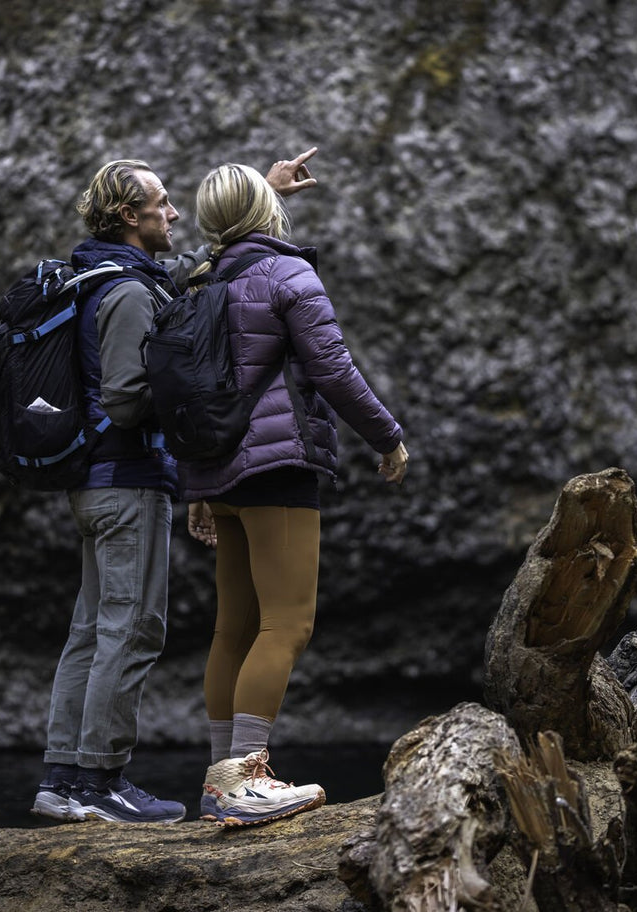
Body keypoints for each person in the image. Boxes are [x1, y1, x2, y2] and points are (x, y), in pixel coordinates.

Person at [31, 151, 319, 824]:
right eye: (161, 204)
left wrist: (265, 196)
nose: (173, 212)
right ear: (130, 216)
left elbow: (192, 264)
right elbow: (128, 400)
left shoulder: (102, 276)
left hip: (93, 482)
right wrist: (195, 403)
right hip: (126, 483)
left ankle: (62, 782)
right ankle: (99, 782)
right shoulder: (129, 293)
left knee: (89, 629)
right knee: (131, 629)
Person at [182, 162, 409, 826]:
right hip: (278, 466)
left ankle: (220, 782)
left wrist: (197, 486)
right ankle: (242, 782)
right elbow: (332, 369)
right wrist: (386, 437)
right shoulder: (288, 274)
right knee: (287, 624)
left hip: (216, 470)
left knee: (234, 629)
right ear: (270, 213)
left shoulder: (198, 281)